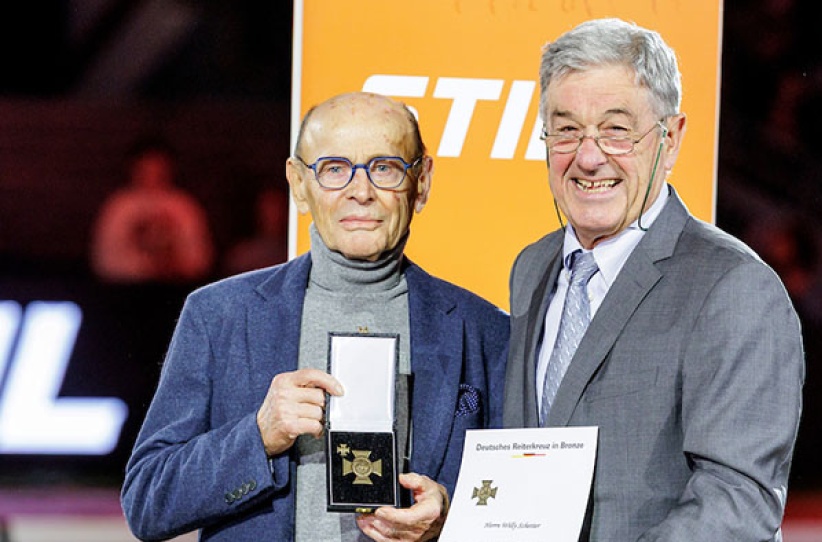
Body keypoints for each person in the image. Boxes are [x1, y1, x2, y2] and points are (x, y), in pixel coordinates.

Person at [121, 92, 509, 542]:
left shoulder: (483, 330)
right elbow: (148, 502)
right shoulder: (219, 315)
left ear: (420, 182)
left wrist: (452, 514)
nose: (360, 192)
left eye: (384, 168)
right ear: (298, 184)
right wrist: (258, 437)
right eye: (334, 169)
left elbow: (525, 500)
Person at [502, 18, 804, 541]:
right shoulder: (532, 268)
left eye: (617, 129)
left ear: (671, 138)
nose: (589, 156)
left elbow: (738, 502)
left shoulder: (734, 288)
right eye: (566, 128)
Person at [90, 137, 214, 283]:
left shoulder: (184, 206)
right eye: (146, 166)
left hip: (176, 289)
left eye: (158, 165)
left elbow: (200, 257)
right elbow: (104, 260)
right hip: (128, 292)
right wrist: (145, 268)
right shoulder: (119, 207)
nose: (153, 172)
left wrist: (175, 266)